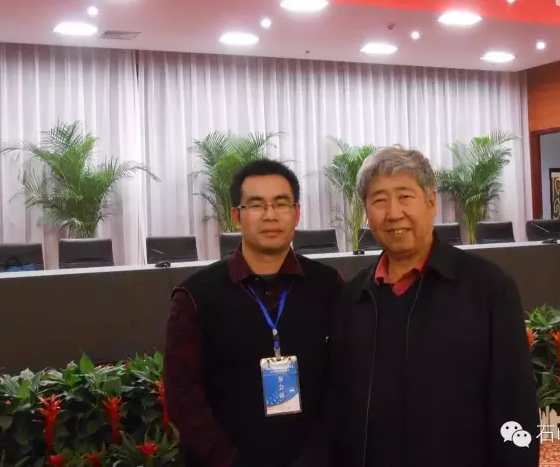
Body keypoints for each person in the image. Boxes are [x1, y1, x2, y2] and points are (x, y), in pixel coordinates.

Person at [328, 146, 540, 467]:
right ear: (367, 212)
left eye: (405, 196)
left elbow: (515, 402)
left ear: (431, 203)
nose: (393, 213)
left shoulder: (487, 288)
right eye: (379, 200)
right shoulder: (354, 296)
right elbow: (339, 406)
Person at [164, 159, 341, 467]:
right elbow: (183, 395)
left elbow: (345, 379)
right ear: (237, 216)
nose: (270, 215)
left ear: (296, 214)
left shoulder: (329, 286)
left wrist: (317, 454)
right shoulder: (195, 295)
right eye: (257, 205)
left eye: (281, 204)